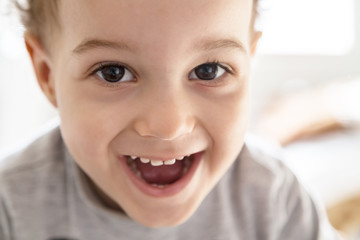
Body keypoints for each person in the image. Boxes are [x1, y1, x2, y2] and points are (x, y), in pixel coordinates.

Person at [0, 0, 341, 239]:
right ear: (48, 75)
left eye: (209, 70)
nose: (168, 124)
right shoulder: (10, 208)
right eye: (113, 72)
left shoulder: (272, 200)